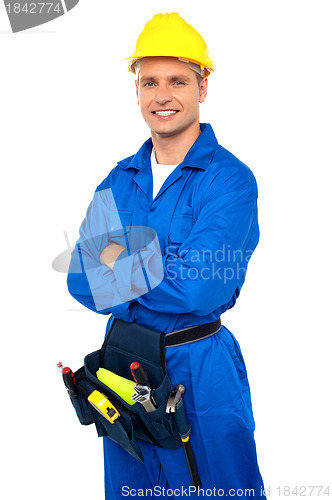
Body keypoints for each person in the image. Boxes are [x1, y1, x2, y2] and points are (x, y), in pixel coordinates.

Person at [67, 12, 266, 499]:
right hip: (124, 370)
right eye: (149, 81)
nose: (162, 96)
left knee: (220, 488)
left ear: (203, 86)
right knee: (135, 487)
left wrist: (117, 262)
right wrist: (163, 265)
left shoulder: (229, 181)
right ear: (136, 90)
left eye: (178, 80)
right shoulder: (119, 179)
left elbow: (202, 286)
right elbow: (79, 279)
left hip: (197, 368)